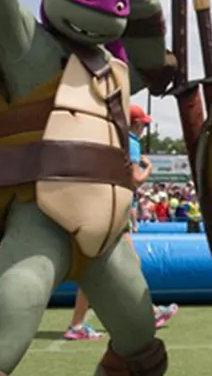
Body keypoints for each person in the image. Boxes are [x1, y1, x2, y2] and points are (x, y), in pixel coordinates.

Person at [65, 105, 177, 340]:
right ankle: (78, 324)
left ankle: (148, 311)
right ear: (136, 124)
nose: (145, 129)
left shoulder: (108, 138)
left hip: (102, 206)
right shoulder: (130, 143)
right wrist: (148, 169)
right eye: (143, 124)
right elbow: (135, 179)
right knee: (101, 267)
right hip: (115, 208)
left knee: (125, 262)